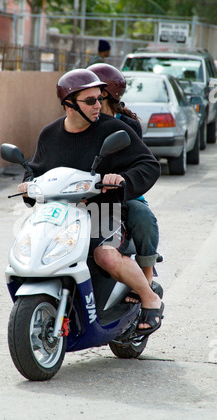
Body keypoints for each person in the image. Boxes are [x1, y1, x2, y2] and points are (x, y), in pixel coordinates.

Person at [18, 68, 164, 335]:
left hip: (104, 210)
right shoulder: (49, 135)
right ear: (69, 104)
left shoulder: (114, 129)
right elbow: (36, 168)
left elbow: (149, 165)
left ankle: (150, 297)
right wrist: (29, 184)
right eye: (90, 101)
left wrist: (122, 181)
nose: (99, 105)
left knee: (105, 255)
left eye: (99, 98)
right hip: (60, 213)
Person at [88, 63, 160, 304]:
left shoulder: (128, 126)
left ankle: (146, 279)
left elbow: (139, 163)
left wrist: (120, 179)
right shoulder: (83, 123)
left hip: (123, 194)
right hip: (86, 195)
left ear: (105, 94)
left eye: (94, 92)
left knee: (142, 216)